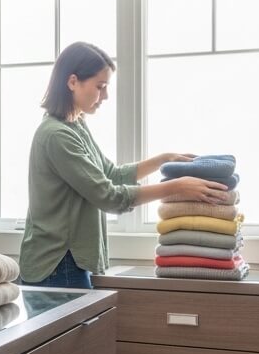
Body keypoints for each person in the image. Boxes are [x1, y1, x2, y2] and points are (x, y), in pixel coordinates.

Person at [18, 41, 230, 289]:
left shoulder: (75, 126)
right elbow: (109, 196)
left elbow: (111, 174)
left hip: (68, 262)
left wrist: (163, 159)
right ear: (73, 81)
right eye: (100, 87)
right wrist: (177, 187)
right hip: (56, 263)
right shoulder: (57, 136)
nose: (105, 96)